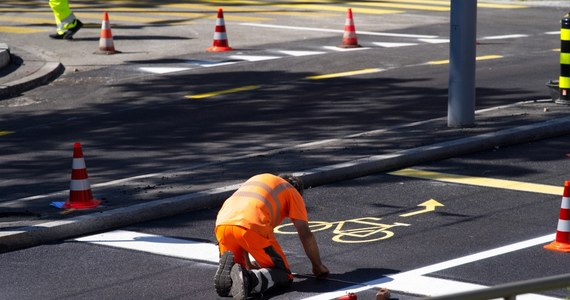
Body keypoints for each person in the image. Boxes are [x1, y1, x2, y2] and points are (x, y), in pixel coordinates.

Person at [214, 173, 329, 300]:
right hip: (252, 225)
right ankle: (250, 279)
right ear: (298, 191)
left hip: (222, 223)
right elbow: (305, 234)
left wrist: (248, 264)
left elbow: (242, 219)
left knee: (237, 267)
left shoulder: (259, 181)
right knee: (283, 274)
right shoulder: (292, 192)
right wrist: (317, 266)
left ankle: (232, 278)